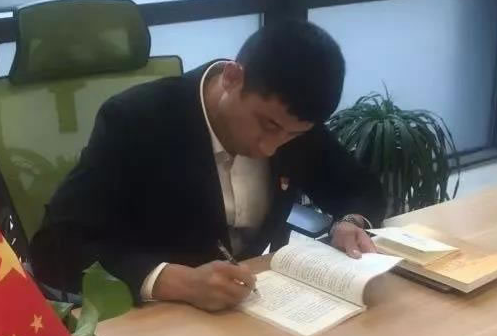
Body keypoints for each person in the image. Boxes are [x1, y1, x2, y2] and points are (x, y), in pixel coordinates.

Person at [30, 20, 385, 311]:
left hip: (250, 309)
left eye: (292, 135)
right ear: (232, 78)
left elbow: (360, 188)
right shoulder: (136, 120)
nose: (271, 146)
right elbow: (56, 248)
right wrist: (175, 281)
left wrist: (352, 222)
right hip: (156, 322)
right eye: (266, 126)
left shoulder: (289, 124)